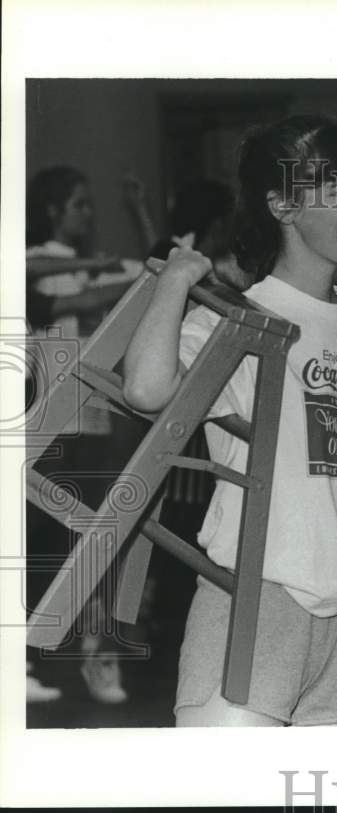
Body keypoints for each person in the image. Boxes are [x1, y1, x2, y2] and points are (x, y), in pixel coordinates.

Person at [122, 114, 337, 726]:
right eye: (336, 190)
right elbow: (147, 391)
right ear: (281, 203)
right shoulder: (241, 322)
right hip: (258, 606)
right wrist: (175, 280)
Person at [25, 165, 149, 705]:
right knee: (44, 546)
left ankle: (98, 656)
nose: (87, 214)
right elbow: (47, 289)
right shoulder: (37, 262)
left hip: (89, 422)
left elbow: (143, 271)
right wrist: (102, 267)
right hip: (47, 426)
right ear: (53, 210)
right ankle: (28, 659)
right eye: (78, 204)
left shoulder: (82, 271)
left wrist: (153, 262)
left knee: (93, 541)